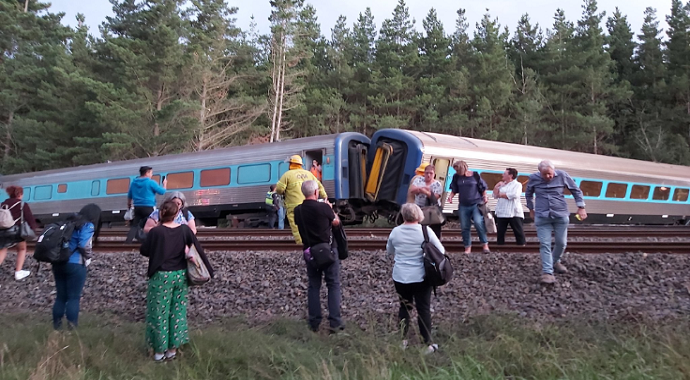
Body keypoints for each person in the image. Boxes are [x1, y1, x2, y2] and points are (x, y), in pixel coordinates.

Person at [140, 200, 213, 362]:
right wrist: (209, 270)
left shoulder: (156, 232)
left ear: (161, 214)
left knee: (159, 313)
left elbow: (144, 251)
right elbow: (197, 248)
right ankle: (172, 350)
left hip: (160, 276)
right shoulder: (185, 230)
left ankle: (159, 352)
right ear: (177, 214)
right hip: (180, 275)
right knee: (177, 312)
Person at [386, 203, 444, 354]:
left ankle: (402, 341)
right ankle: (427, 344)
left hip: (400, 276)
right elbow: (441, 250)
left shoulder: (395, 232)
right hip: (421, 277)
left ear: (403, 215)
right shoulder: (426, 231)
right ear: (418, 215)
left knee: (404, 308)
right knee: (423, 308)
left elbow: (389, 251)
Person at [526, 160, 587, 284]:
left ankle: (554, 261)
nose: (548, 177)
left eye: (550, 173)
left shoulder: (563, 175)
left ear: (554, 170)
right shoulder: (533, 178)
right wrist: (531, 209)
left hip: (560, 215)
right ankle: (547, 272)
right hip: (542, 216)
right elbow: (528, 194)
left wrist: (581, 207)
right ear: (540, 173)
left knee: (561, 243)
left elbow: (576, 191)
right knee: (545, 244)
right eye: (545, 174)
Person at [294, 180, 343, 333]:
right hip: (328, 251)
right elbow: (336, 223)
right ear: (316, 192)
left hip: (310, 253)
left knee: (314, 286)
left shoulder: (298, 210)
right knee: (333, 284)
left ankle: (314, 322)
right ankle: (335, 322)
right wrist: (330, 209)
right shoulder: (323, 207)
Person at [52, 204, 102, 330]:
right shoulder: (88, 225)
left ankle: (56, 327)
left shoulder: (70, 220)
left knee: (60, 296)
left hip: (58, 262)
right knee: (73, 298)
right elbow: (84, 244)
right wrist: (89, 257)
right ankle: (72, 329)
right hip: (75, 264)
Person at [276, 155, 327, 245]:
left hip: (293, 206)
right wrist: (324, 196)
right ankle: (313, 242)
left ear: (291, 164)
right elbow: (318, 185)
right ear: (300, 164)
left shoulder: (287, 175)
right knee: (310, 223)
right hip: (309, 204)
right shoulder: (308, 174)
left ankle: (300, 244)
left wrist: (283, 193)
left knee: (296, 226)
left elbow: (279, 189)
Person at [447, 161, 490, 254]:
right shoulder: (456, 177)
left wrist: (485, 196)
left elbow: (483, 188)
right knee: (465, 227)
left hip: (476, 204)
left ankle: (485, 244)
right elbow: (454, 188)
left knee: (479, 223)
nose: (457, 172)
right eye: (456, 170)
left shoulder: (475, 175)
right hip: (463, 204)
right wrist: (450, 196)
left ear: (464, 168)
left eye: (458, 170)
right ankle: (467, 247)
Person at [0, 186, 38, 280]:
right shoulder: (22, 204)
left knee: (3, 249)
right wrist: (35, 229)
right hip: (16, 231)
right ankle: (18, 272)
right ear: (19, 194)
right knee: (21, 249)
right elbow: (30, 219)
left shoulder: (3, 204)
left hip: (2, 231)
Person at [126, 166, 167, 243]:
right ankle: (153, 240)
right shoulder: (151, 182)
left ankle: (127, 242)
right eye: (151, 173)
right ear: (147, 173)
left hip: (137, 207)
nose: (152, 174)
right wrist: (164, 184)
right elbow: (162, 192)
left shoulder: (133, 183)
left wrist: (129, 205)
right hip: (148, 207)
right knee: (152, 223)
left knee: (135, 225)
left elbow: (129, 195)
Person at [407, 164, 443, 238]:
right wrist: (423, 189)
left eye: (431, 173)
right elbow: (412, 190)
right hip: (419, 207)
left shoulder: (437, 184)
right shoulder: (419, 180)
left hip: (432, 209)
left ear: (434, 174)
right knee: (419, 227)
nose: (428, 175)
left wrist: (424, 191)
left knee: (434, 228)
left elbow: (436, 197)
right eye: (427, 173)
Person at [493, 168, 526, 246]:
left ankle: (521, 245)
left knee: (518, 231)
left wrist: (501, 195)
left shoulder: (517, 185)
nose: (502, 175)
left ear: (510, 175)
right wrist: (497, 186)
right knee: (500, 231)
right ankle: (500, 246)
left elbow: (514, 195)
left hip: (514, 212)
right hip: (502, 211)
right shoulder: (502, 184)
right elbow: (495, 195)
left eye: (504, 174)